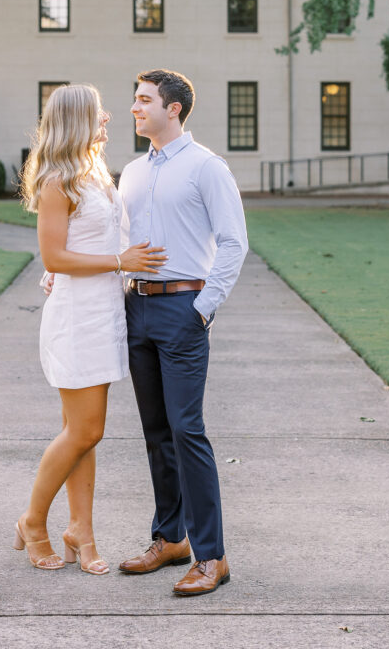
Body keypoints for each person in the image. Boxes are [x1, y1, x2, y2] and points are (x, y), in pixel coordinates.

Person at [15, 83, 166, 575]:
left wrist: (105, 261)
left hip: (103, 313)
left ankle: (82, 530)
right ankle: (33, 521)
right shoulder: (57, 180)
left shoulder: (95, 172)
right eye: (99, 113)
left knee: (82, 434)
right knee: (86, 428)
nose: (108, 119)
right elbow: (54, 255)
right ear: (79, 119)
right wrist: (116, 261)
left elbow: (84, 242)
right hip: (77, 319)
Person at [118, 68, 248, 596]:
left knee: (186, 430)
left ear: (173, 109)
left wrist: (202, 309)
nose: (135, 108)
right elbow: (121, 240)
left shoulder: (205, 167)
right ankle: (170, 539)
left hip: (182, 310)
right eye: (134, 99)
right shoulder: (130, 171)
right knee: (155, 433)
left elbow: (234, 242)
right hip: (137, 310)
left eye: (145, 100)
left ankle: (211, 555)